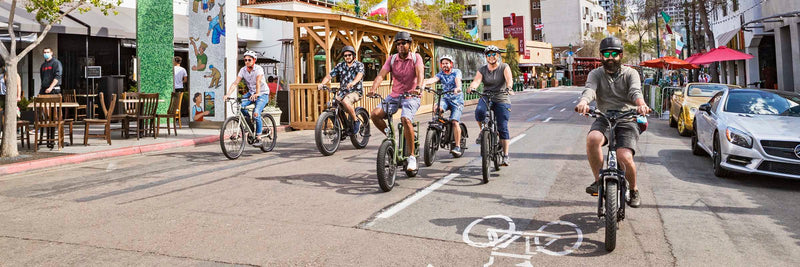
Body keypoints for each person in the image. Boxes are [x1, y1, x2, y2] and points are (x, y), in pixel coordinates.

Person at [574, 36, 651, 208]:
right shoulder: (595, 74)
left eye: (614, 54)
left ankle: (634, 189)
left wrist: (641, 105)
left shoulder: (631, 73)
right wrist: (584, 102)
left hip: (627, 118)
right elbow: (590, 90)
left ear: (621, 55)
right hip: (604, 117)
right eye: (607, 54)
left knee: (624, 156)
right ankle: (598, 181)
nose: (610, 57)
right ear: (601, 56)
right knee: (592, 139)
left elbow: (634, 91)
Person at [368, 31, 424, 172]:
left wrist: (418, 88)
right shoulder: (392, 59)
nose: (400, 46)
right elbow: (381, 75)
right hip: (394, 96)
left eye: (403, 43)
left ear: (409, 44)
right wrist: (374, 88)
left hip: (411, 96)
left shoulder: (416, 58)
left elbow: (420, 74)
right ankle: (389, 134)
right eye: (398, 44)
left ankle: (411, 157)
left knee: (405, 119)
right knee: (375, 114)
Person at [468, 45, 514, 166]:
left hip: (501, 97)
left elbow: (509, 79)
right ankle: (483, 130)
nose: (491, 57)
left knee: (502, 127)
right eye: (488, 55)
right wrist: (472, 87)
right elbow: (477, 81)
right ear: (486, 57)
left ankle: (505, 155)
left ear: (498, 56)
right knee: (479, 112)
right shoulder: (482, 69)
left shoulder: (504, 67)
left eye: (494, 54)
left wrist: (509, 87)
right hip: (487, 96)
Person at [422, 55, 464, 156]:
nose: (445, 65)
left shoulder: (456, 72)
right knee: (437, 108)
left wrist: (458, 88)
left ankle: (457, 146)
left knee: (454, 121)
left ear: (451, 64)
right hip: (445, 98)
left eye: (447, 63)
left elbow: (458, 81)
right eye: (443, 63)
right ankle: (439, 128)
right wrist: (424, 84)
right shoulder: (441, 74)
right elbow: (434, 79)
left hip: (456, 100)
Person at [224, 50, 269, 147]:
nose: (247, 62)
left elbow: (258, 81)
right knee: (240, 106)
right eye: (245, 60)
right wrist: (227, 94)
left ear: (254, 60)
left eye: (249, 60)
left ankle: (259, 138)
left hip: (262, 94)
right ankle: (250, 125)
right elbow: (235, 83)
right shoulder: (243, 70)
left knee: (256, 114)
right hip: (251, 93)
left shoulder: (259, 69)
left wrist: (257, 93)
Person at [319, 46, 365, 134]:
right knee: (333, 104)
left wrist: (353, 82)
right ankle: (342, 127)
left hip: (355, 91)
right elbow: (330, 75)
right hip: (343, 92)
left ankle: (356, 121)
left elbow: (359, 75)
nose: (347, 57)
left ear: (353, 56)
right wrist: (322, 83)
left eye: (349, 55)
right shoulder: (340, 65)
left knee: (346, 101)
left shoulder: (359, 65)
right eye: (345, 55)